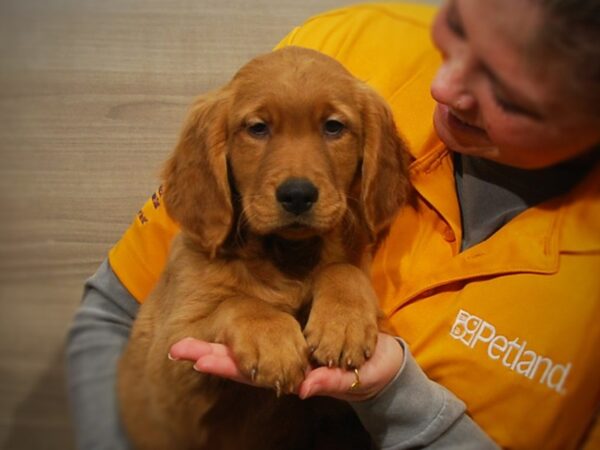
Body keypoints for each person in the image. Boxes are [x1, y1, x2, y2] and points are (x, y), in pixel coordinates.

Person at [66, 0, 600, 448]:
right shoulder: (345, 45)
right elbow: (115, 313)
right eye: (454, 30)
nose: (443, 86)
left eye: (506, 92)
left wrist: (393, 395)